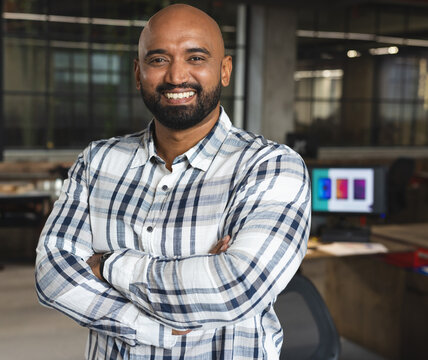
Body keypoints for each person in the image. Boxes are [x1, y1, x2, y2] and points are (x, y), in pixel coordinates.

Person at [35, 3, 311, 359]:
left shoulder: (271, 166)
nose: (177, 76)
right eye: (158, 60)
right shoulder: (97, 161)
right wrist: (155, 319)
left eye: (196, 58)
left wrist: (106, 265)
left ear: (224, 70)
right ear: (138, 73)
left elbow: (236, 286)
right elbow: (52, 275)